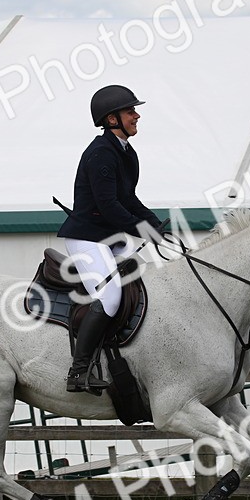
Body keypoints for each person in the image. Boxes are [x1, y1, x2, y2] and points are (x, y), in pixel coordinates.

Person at [57, 85, 164, 393]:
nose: (136, 115)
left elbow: (128, 199)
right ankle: (78, 372)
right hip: (87, 238)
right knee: (110, 296)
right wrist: (142, 229)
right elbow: (109, 206)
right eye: (130, 111)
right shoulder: (101, 153)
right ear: (112, 118)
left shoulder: (125, 152)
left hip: (108, 238)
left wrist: (153, 223)